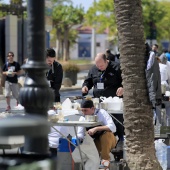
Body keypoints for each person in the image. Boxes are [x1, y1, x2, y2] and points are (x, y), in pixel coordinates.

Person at [82, 53, 124, 150]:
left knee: (116, 121)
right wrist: (85, 87)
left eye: (101, 65)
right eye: (97, 65)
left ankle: (120, 140)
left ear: (107, 61)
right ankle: (99, 141)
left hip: (114, 103)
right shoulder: (93, 69)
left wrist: (122, 88)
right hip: (98, 102)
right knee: (99, 121)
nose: (99, 67)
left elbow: (125, 81)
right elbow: (88, 81)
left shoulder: (117, 67)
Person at [77, 99, 117, 169]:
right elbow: (80, 134)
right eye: (82, 110)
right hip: (95, 142)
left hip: (109, 141)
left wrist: (96, 129)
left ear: (92, 108)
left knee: (106, 134)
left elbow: (113, 128)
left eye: (85, 110)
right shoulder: (82, 118)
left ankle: (105, 164)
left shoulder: (102, 113)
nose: (84, 113)